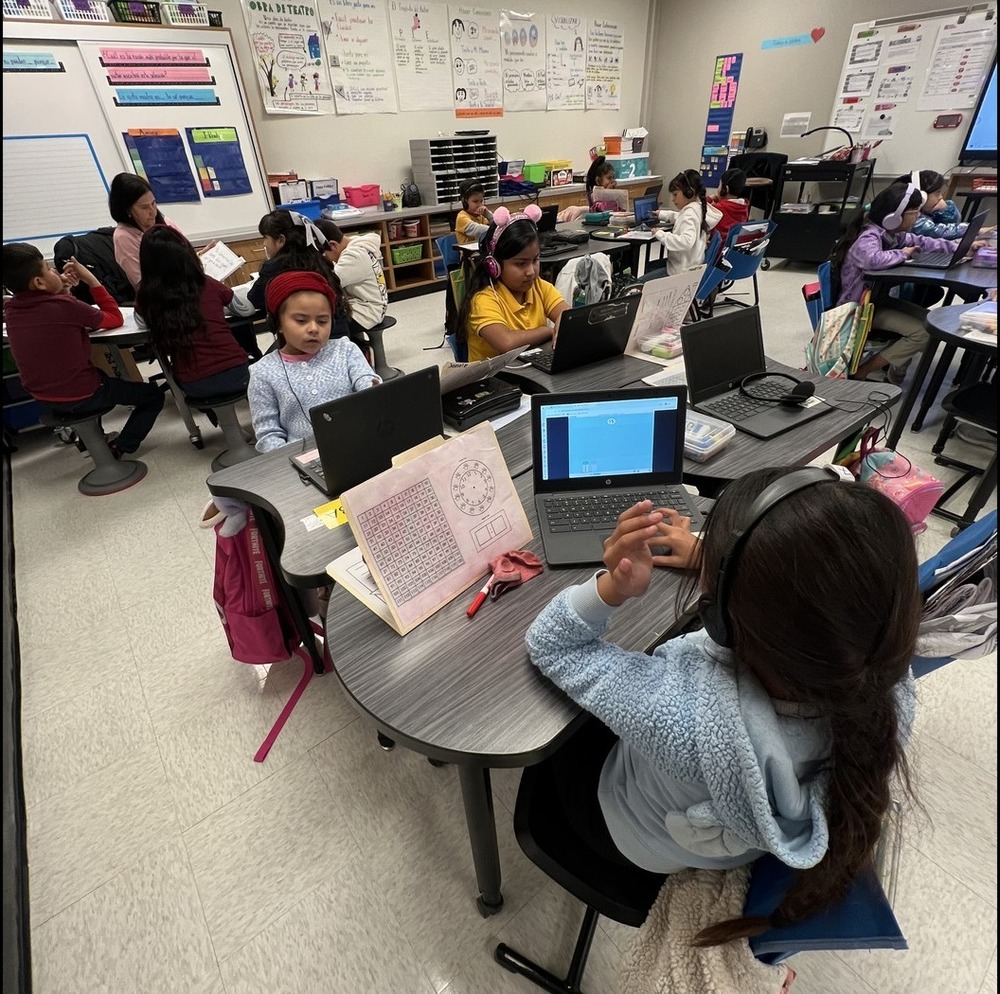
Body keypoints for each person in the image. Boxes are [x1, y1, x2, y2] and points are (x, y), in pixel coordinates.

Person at [526, 466, 920, 945]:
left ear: (724, 618)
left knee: (555, 731)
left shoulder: (680, 716)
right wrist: (725, 564)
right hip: (724, 837)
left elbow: (553, 645)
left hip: (621, 833)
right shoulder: (887, 688)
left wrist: (614, 587)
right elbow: (821, 607)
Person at [2, 242, 163, 458]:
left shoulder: (11, 308)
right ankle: (122, 446)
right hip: (81, 394)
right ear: (39, 282)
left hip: (42, 396)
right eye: (49, 268)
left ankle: (93, 440)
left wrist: (62, 291)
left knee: (100, 376)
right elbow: (113, 318)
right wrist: (92, 280)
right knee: (152, 395)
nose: (55, 271)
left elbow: (54, 318)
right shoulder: (64, 306)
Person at [829, 182, 962, 382]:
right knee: (923, 332)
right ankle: (863, 371)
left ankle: (895, 370)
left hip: (875, 302)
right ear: (894, 217)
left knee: (932, 321)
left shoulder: (890, 234)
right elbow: (872, 259)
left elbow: (922, 241)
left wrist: (956, 248)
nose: (917, 216)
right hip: (858, 310)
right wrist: (903, 253)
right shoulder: (868, 236)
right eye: (914, 212)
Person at [247, 270, 379, 453]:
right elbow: (268, 435)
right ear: (278, 323)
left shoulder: (345, 349)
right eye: (301, 321)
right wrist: (292, 461)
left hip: (358, 443)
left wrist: (373, 389)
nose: (313, 329)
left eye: (323, 321)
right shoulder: (262, 372)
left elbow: (365, 379)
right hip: (303, 457)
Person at [134, 226, 255, 401]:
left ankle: (226, 425)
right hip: (237, 373)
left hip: (193, 384)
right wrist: (218, 309)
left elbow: (142, 323)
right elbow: (246, 309)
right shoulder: (206, 283)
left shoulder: (146, 294)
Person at [456, 204, 569, 363]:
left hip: (528, 370)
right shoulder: (483, 299)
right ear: (494, 264)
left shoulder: (539, 286)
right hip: (493, 381)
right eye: (521, 264)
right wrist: (548, 331)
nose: (531, 271)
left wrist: (563, 321)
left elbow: (568, 316)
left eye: (535, 260)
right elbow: (507, 343)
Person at [248, 210, 351, 341]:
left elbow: (254, 299)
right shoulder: (320, 259)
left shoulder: (274, 268)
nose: (264, 244)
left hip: (308, 342)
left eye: (265, 238)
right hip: (339, 336)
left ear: (280, 240)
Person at [107, 173, 182, 292]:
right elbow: (143, 285)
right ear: (128, 210)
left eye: (153, 203)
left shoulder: (166, 222)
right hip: (162, 299)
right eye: (144, 207)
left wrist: (197, 259)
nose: (153, 212)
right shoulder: (124, 237)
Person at [315, 218, 389, 338]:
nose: (325, 259)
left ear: (332, 245)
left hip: (366, 312)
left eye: (323, 255)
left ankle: (351, 351)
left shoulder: (354, 256)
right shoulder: (355, 245)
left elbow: (329, 283)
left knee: (324, 323)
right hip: (368, 306)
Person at [652, 169, 723, 275]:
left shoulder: (689, 214)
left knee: (640, 282)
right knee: (651, 267)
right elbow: (680, 217)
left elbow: (686, 241)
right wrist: (662, 214)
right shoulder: (698, 208)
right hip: (693, 265)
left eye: (675, 195)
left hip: (680, 272)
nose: (673, 199)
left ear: (689, 192)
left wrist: (661, 234)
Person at [894, 169, 996, 241]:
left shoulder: (925, 212)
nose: (940, 197)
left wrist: (944, 208)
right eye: (937, 193)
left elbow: (952, 221)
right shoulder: (912, 219)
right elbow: (941, 232)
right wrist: (976, 230)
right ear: (922, 196)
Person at [710, 167, 750, 246]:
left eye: (719, 185)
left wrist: (709, 199)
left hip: (717, 251)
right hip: (731, 249)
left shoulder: (718, 208)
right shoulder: (744, 206)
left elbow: (699, 210)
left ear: (726, 189)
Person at [454, 180, 494, 246]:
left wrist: (488, 215)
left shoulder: (481, 216)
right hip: (470, 255)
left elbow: (495, 224)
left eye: (481, 201)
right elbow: (479, 230)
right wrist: (498, 230)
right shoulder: (461, 217)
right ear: (465, 201)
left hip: (482, 252)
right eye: (475, 201)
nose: (479, 205)